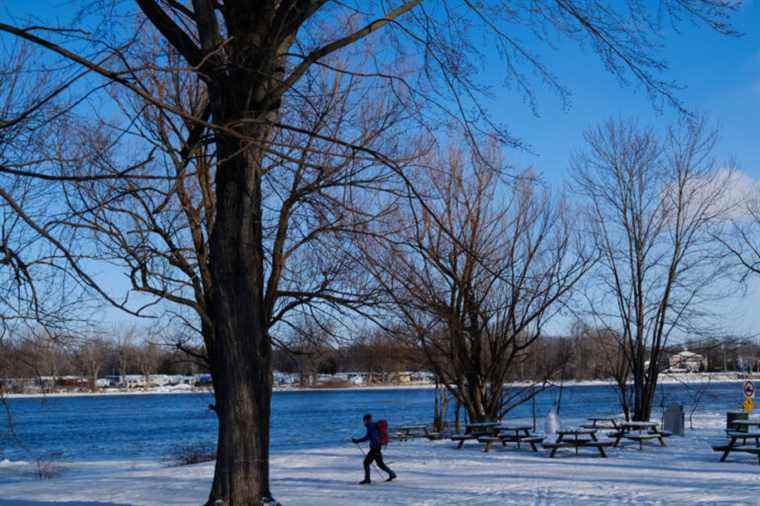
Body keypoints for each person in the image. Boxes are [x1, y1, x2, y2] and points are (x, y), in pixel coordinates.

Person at [351, 413, 396, 485]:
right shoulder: (373, 425)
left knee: (366, 463)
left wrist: (357, 441)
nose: (364, 422)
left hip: (375, 448)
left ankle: (367, 479)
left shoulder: (370, 426)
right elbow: (370, 437)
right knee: (380, 464)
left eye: (364, 421)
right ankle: (392, 474)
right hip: (377, 447)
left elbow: (369, 437)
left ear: (366, 420)